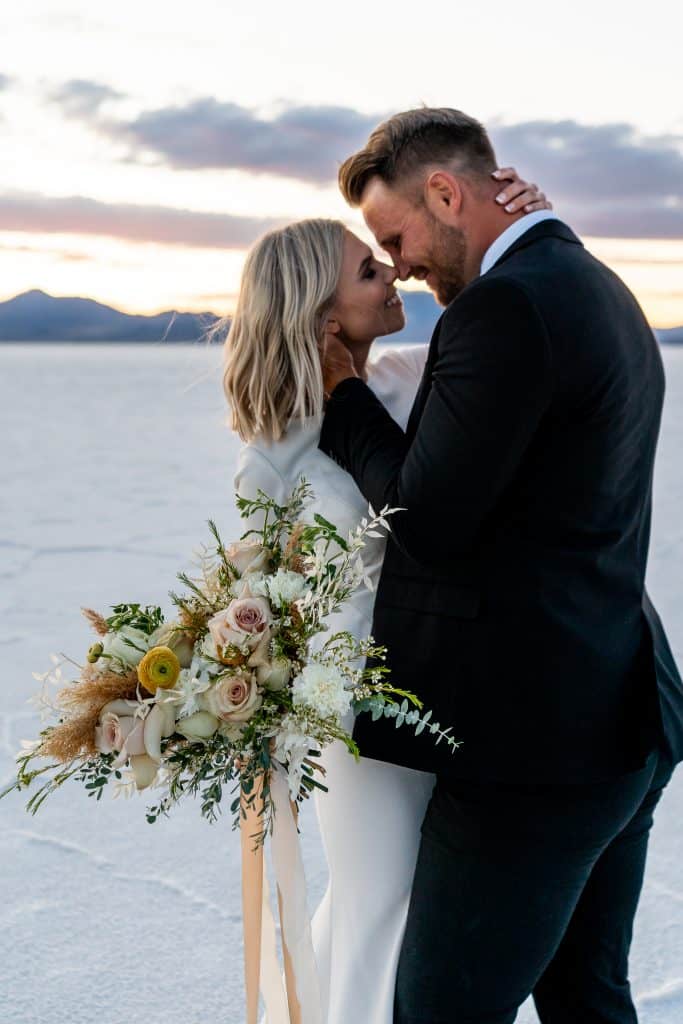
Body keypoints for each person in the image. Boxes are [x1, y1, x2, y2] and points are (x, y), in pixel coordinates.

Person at [318, 106, 683, 1024]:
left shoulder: (504, 307)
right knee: (585, 996)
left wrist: (342, 397)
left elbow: (425, 521)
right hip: (620, 708)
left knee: (441, 1012)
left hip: (533, 753)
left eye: (394, 235)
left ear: (446, 193)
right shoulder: (590, 281)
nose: (398, 262)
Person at [222, 171, 549, 1024]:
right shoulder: (271, 457)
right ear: (324, 316)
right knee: (379, 901)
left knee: (422, 911)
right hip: (352, 710)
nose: (392, 275)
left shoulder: (415, 380)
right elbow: (257, 601)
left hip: (444, 688)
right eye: (368, 271)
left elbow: (492, 297)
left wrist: (520, 211)